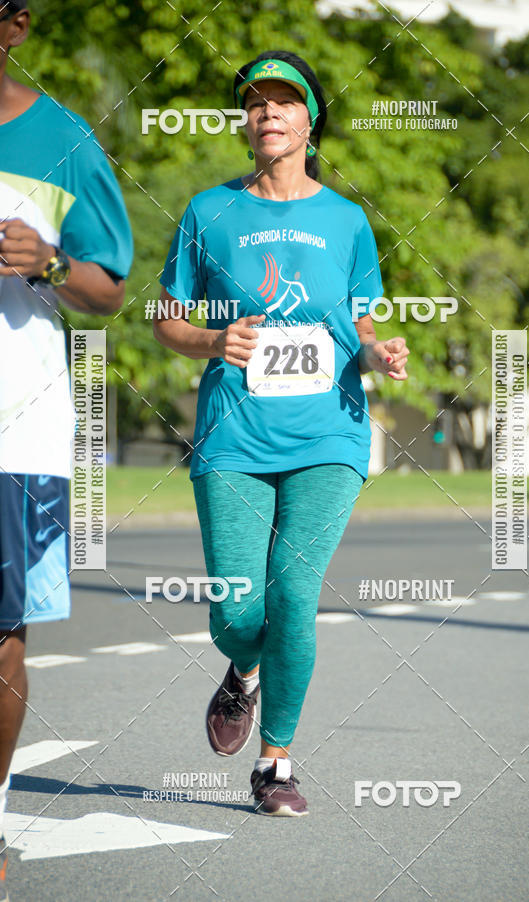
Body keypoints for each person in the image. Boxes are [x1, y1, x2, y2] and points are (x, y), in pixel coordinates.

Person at [154, 49, 409, 817]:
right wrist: (211, 341)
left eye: (283, 101)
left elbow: (356, 324)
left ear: (309, 119)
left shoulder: (347, 220)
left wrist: (377, 350)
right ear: (245, 121)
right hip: (233, 434)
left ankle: (276, 765)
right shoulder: (209, 212)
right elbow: (166, 319)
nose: (267, 111)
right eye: (255, 102)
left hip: (329, 434)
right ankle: (243, 670)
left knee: (295, 594)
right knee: (237, 612)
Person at [0, 0, 133, 891]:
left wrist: (47, 263)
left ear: (15, 24)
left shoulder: (63, 141)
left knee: (1, 635)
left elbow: (112, 287)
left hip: (15, 427)